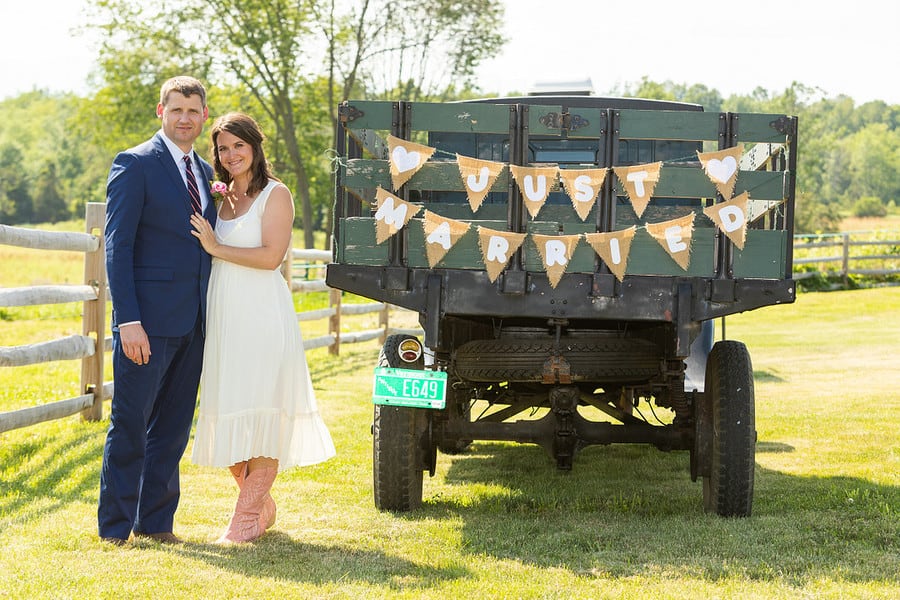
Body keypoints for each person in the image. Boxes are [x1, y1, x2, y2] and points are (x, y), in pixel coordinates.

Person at [189, 112, 335, 544]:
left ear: (255, 146)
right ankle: (261, 504)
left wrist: (217, 246)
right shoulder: (218, 195)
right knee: (231, 406)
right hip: (224, 315)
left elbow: (272, 257)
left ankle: (244, 520)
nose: (231, 154)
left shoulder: (277, 194)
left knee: (263, 409)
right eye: (222, 147)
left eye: (238, 145)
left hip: (263, 314)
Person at [99, 76, 216, 545]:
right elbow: (117, 247)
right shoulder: (135, 163)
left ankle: (157, 523)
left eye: (193, 111)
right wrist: (128, 321)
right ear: (161, 112)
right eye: (176, 110)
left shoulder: (207, 171)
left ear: (204, 115)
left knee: (172, 428)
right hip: (144, 324)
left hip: (194, 321)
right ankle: (114, 529)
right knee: (130, 423)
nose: (185, 118)